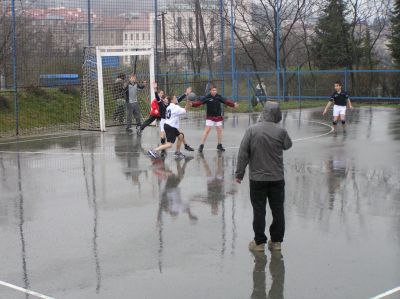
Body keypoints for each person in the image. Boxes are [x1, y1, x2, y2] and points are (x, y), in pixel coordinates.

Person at [235, 102, 292, 252]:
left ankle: (259, 243)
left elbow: (243, 153)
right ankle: (276, 242)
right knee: (278, 210)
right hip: (277, 178)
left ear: (264, 112)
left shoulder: (252, 130)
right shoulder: (281, 131)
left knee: (259, 210)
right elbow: (288, 145)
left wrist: (239, 174)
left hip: (257, 179)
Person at [140, 83, 194, 153]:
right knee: (163, 137)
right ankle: (162, 148)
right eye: (164, 98)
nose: (164, 99)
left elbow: (178, 99)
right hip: (164, 122)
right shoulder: (161, 104)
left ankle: (185, 145)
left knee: (181, 135)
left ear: (168, 100)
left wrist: (186, 93)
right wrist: (155, 90)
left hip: (170, 122)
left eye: (166, 98)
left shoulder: (170, 105)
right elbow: (157, 98)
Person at [192, 85, 238, 152]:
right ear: (210, 91)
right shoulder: (207, 97)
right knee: (207, 130)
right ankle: (201, 145)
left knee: (219, 130)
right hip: (210, 116)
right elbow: (199, 102)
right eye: (213, 90)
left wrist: (233, 105)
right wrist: (192, 104)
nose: (214, 91)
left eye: (215, 90)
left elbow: (226, 101)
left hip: (218, 116)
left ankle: (219, 145)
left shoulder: (218, 96)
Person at [148, 93, 192, 159]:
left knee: (181, 136)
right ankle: (153, 151)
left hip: (170, 125)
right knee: (169, 144)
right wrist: (188, 103)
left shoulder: (169, 106)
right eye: (175, 98)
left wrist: (188, 104)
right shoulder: (175, 107)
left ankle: (177, 152)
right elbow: (185, 110)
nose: (176, 99)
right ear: (171, 100)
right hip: (170, 127)